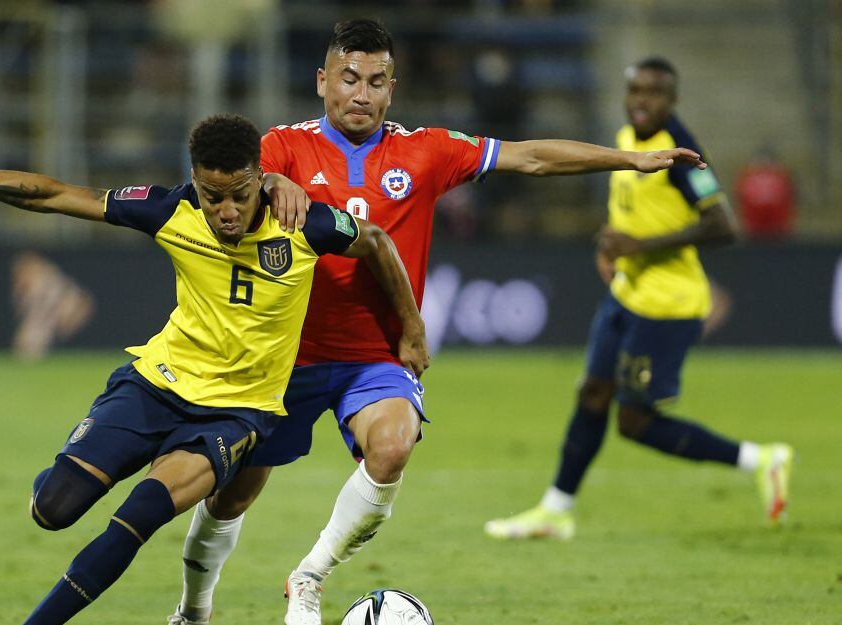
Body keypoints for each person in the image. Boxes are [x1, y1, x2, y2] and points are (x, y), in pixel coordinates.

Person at [169, 21, 708, 625]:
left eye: (376, 82)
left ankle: (310, 576)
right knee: (233, 495)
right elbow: (231, 185)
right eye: (349, 79)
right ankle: (193, 611)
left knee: (394, 447)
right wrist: (271, 180)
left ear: (391, 89)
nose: (361, 94)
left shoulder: (424, 150)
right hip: (284, 356)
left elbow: (528, 157)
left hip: (374, 356)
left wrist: (630, 159)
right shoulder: (282, 147)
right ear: (323, 82)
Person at [0, 113, 426, 625]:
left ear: (262, 177)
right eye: (213, 197)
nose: (226, 211)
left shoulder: (304, 224)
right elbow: (53, 195)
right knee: (53, 508)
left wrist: (411, 327)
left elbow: (376, 240)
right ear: (194, 182)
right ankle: (86, 463)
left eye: (239, 194)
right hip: (156, 386)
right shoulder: (170, 210)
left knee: (138, 517)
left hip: (236, 415)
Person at [483, 57, 794, 541]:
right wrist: (612, 244)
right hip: (627, 294)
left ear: (672, 101)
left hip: (667, 306)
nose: (641, 100)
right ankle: (556, 511)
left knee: (634, 422)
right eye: (635, 91)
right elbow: (631, 211)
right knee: (591, 393)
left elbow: (722, 225)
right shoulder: (628, 141)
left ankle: (761, 459)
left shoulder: (679, 151)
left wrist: (639, 247)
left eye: (654, 93)